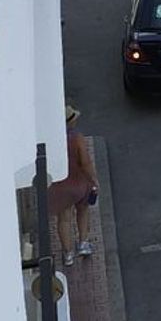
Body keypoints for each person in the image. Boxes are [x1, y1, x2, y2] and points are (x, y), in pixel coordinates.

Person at [50, 105, 98, 267]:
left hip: (60, 184)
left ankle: (68, 254)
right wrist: (93, 179)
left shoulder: (51, 140)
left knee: (63, 219)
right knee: (83, 211)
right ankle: (83, 244)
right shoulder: (77, 138)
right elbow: (85, 162)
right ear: (70, 121)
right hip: (79, 183)